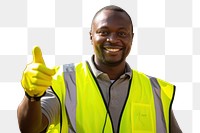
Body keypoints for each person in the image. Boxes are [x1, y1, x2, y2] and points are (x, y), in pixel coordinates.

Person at [17, 5, 182, 133]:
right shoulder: (61, 80)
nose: (112, 39)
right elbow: (30, 129)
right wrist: (32, 96)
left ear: (132, 38)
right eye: (103, 32)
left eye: (122, 33)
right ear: (91, 36)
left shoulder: (156, 90)